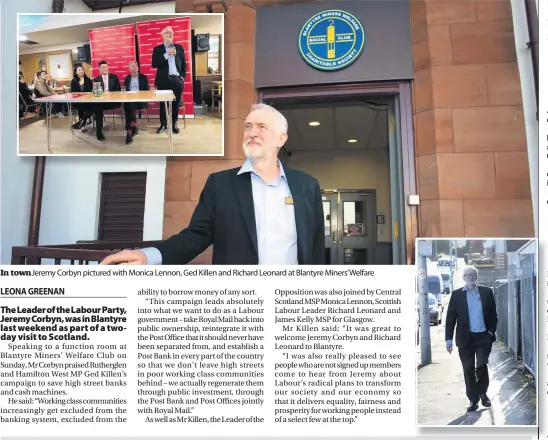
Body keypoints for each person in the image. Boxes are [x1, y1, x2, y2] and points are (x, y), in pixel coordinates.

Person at [100, 103, 324, 265]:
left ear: (281, 139)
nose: (252, 133)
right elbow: (195, 236)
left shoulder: (307, 186)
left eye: (262, 127)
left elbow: (314, 250)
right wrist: (149, 255)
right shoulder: (220, 185)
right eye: (248, 126)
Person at [445, 266, 498, 412]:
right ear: (463, 278)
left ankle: (482, 392)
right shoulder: (457, 295)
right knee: (468, 369)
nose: (470, 277)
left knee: (481, 365)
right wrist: (448, 340)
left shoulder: (487, 292)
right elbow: (450, 319)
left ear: (477, 276)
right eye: (467, 275)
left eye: (473, 274)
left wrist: (490, 332)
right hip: (464, 339)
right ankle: (473, 399)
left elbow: (493, 316)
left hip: (483, 338)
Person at [151, 26, 186, 135]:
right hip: (163, 80)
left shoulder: (179, 48)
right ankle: (163, 124)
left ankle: (174, 123)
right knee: (163, 104)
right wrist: (167, 54)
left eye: (171, 33)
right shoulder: (157, 49)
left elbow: (184, 65)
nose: (170, 34)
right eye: (167, 33)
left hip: (177, 79)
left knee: (176, 103)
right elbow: (154, 64)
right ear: (162, 36)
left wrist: (182, 77)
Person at [93, 60, 121, 141]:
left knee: (97, 107)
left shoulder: (114, 77)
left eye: (106, 67)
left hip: (113, 102)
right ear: (99, 69)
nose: (105, 68)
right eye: (103, 67)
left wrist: (110, 94)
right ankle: (99, 131)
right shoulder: (96, 79)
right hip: (102, 101)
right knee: (97, 106)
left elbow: (118, 91)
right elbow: (96, 92)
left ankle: (86, 118)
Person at [123, 61, 149, 145]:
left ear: (138, 67)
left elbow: (146, 91)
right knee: (129, 104)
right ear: (129, 69)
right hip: (130, 99)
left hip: (140, 100)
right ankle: (132, 128)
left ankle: (129, 129)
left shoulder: (143, 77)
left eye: (135, 66)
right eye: (132, 66)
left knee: (129, 106)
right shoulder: (127, 78)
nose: (134, 67)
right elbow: (125, 91)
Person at [70, 65, 94, 130]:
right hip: (78, 100)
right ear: (76, 72)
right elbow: (73, 92)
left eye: (82, 69)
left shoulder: (88, 80)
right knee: (80, 106)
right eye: (79, 70)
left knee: (90, 105)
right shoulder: (74, 81)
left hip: (88, 100)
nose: (81, 71)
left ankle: (83, 121)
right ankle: (84, 121)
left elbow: (90, 92)